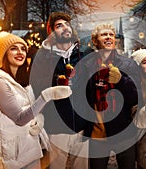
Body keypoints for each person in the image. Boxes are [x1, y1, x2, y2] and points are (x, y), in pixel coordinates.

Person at [0, 31, 72, 169]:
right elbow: (20, 118)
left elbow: (31, 109)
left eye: (23, 48)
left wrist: (39, 118)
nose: (20, 52)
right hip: (9, 157)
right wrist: (46, 96)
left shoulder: (24, 83)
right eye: (13, 48)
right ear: (4, 54)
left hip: (30, 151)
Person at [72, 23, 141, 169]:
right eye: (104, 34)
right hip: (97, 132)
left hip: (124, 132)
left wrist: (121, 80)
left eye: (111, 34)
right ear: (95, 41)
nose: (109, 37)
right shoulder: (86, 65)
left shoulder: (128, 64)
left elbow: (136, 97)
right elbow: (80, 96)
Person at [29, 12, 88, 169]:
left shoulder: (83, 54)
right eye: (59, 26)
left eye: (67, 24)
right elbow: (35, 88)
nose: (64, 28)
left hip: (82, 127)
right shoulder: (42, 57)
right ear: (52, 32)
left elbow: (91, 89)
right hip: (56, 127)